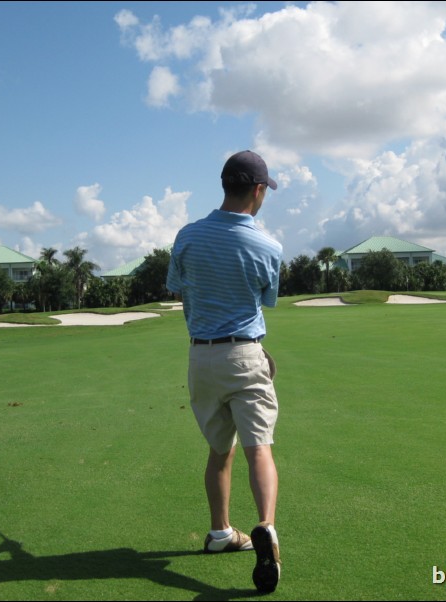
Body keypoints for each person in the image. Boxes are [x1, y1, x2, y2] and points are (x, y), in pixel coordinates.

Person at [166, 150, 283, 593]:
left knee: (220, 451)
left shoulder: (187, 236)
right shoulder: (269, 247)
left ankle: (220, 534)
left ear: (223, 186)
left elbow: (181, 293)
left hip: (201, 358)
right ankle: (266, 527)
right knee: (259, 449)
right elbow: (260, 302)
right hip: (247, 356)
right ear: (258, 191)